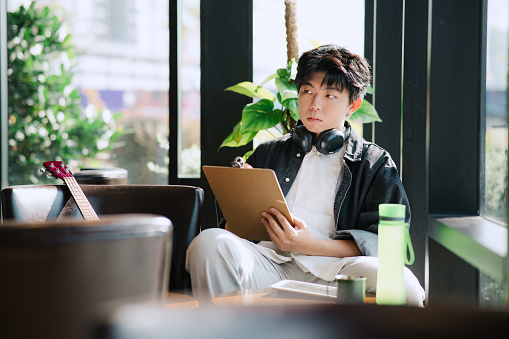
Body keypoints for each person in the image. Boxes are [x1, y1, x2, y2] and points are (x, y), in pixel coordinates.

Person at [186, 44, 425, 306]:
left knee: (407, 287)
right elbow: (233, 232)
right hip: (270, 264)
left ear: (353, 105)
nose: (314, 105)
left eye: (330, 95)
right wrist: (243, 204)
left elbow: (387, 243)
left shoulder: (374, 163)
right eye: (307, 91)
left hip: (338, 270)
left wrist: (308, 245)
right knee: (208, 243)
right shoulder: (268, 152)